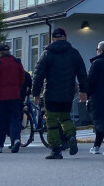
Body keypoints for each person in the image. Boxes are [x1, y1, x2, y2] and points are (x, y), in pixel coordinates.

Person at [32, 27, 88, 160]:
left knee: (51, 122)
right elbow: (82, 74)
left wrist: (36, 93)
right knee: (65, 118)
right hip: (68, 93)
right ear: (65, 37)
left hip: (51, 93)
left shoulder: (47, 53)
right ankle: (71, 136)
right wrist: (83, 91)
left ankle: (56, 150)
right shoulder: (74, 53)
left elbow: (38, 75)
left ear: (52, 38)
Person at [0, 43, 26, 154]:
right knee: (15, 119)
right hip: (14, 96)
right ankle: (16, 139)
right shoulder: (16, 62)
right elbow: (22, 78)